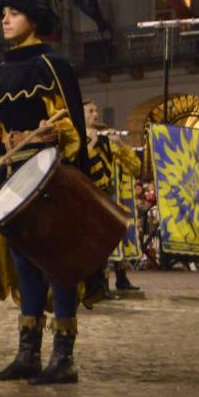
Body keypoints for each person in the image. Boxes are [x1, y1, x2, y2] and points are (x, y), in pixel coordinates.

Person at [0, 0, 88, 385]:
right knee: (24, 263)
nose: (5, 19)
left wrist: (51, 132)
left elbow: (70, 126)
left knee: (56, 262)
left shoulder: (53, 64)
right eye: (3, 13)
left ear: (34, 20)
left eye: (14, 13)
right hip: (13, 176)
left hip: (49, 176)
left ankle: (64, 357)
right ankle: (28, 353)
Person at [83, 99, 141, 296]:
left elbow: (135, 166)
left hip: (109, 197)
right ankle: (100, 284)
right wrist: (90, 143)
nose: (96, 114)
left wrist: (121, 144)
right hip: (88, 198)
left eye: (96, 110)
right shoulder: (75, 139)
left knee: (116, 239)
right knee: (98, 243)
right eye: (90, 111)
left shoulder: (107, 140)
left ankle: (121, 278)